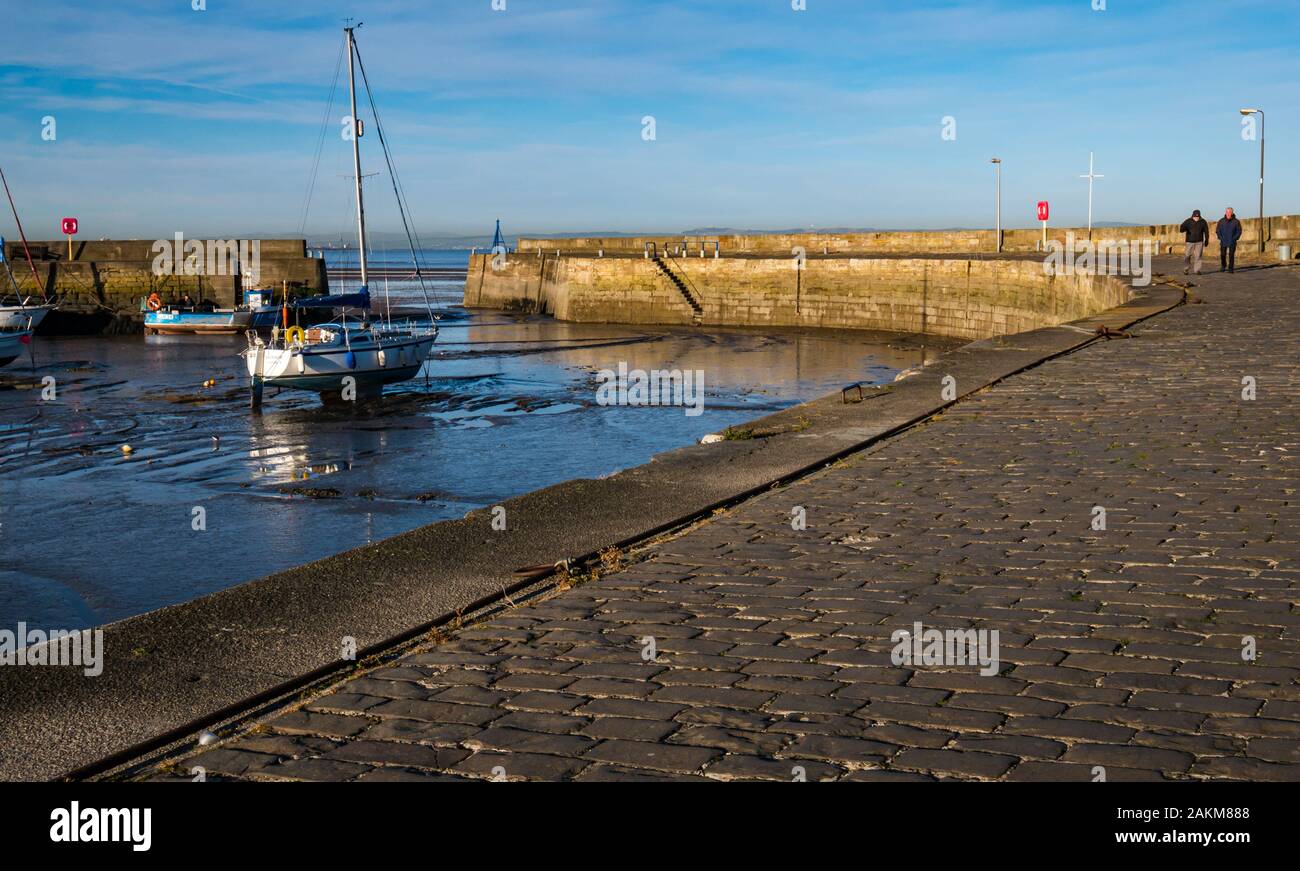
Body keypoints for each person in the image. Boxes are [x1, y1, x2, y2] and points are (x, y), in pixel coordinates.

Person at [1179, 209, 1210, 275]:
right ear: (1192, 216)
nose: (1196, 218)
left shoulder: (1203, 221)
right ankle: (1186, 269)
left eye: (1198, 217)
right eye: (1195, 217)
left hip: (1199, 242)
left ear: (1200, 216)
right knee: (1187, 255)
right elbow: (1181, 229)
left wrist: (1207, 240)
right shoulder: (1188, 221)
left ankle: (1197, 270)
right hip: (1189, 241)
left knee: (1198, 256)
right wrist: (1184, 228)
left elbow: (1206, 231)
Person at [1217, 207, 1243, 273]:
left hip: (1232, 241)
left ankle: (1231, 268)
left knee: (1231, 255)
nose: (1228, 213)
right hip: (1223, 240)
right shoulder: (1221, 221)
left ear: (1232, 213)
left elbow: (1239, 231)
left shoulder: (1236, 221)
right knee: (1223, 254)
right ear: (1225, 212)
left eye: (1229, 212)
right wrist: (1220, 237)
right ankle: (1223, 266)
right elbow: (1218, 230)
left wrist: (1235, 238)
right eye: (1227, 212)